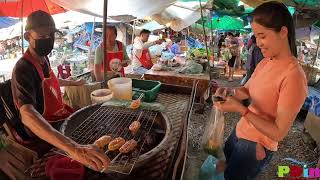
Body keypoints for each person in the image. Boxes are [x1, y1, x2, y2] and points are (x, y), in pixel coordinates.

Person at [214, 2, 307, 179]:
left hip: (256, 144)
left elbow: (278, 132)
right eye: (256, 36)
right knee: (220, 171)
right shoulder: (266, 62)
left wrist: (241, 109)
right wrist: (229, 92)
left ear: (283, 32)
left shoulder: (294, 76)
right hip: (241, 130)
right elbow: (247, 90)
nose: (258, 43)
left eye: (262, 36)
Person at [10, 10, 110, 172]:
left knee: (95, 119)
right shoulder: (23, 69)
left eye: (51, 35)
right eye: (42, 37)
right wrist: (74, 149)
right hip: (41, 129)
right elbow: (27, 114)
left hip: (59, 116)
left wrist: (75, 83)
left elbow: (49, 81)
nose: (48, 40)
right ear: (28, 37)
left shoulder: (44, 59)